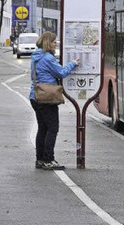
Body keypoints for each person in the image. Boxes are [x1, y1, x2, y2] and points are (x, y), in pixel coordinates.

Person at [29, 32, 80, 170]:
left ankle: (40, 159)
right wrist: (73, 63)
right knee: (52, 128)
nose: (55, 43)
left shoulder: (35, 57)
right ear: (47, 43)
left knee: (42, 128)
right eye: (53, 42)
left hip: (35, 96)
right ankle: (48, 159)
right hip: (47, 98)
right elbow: (62, 72)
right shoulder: (48, 58)